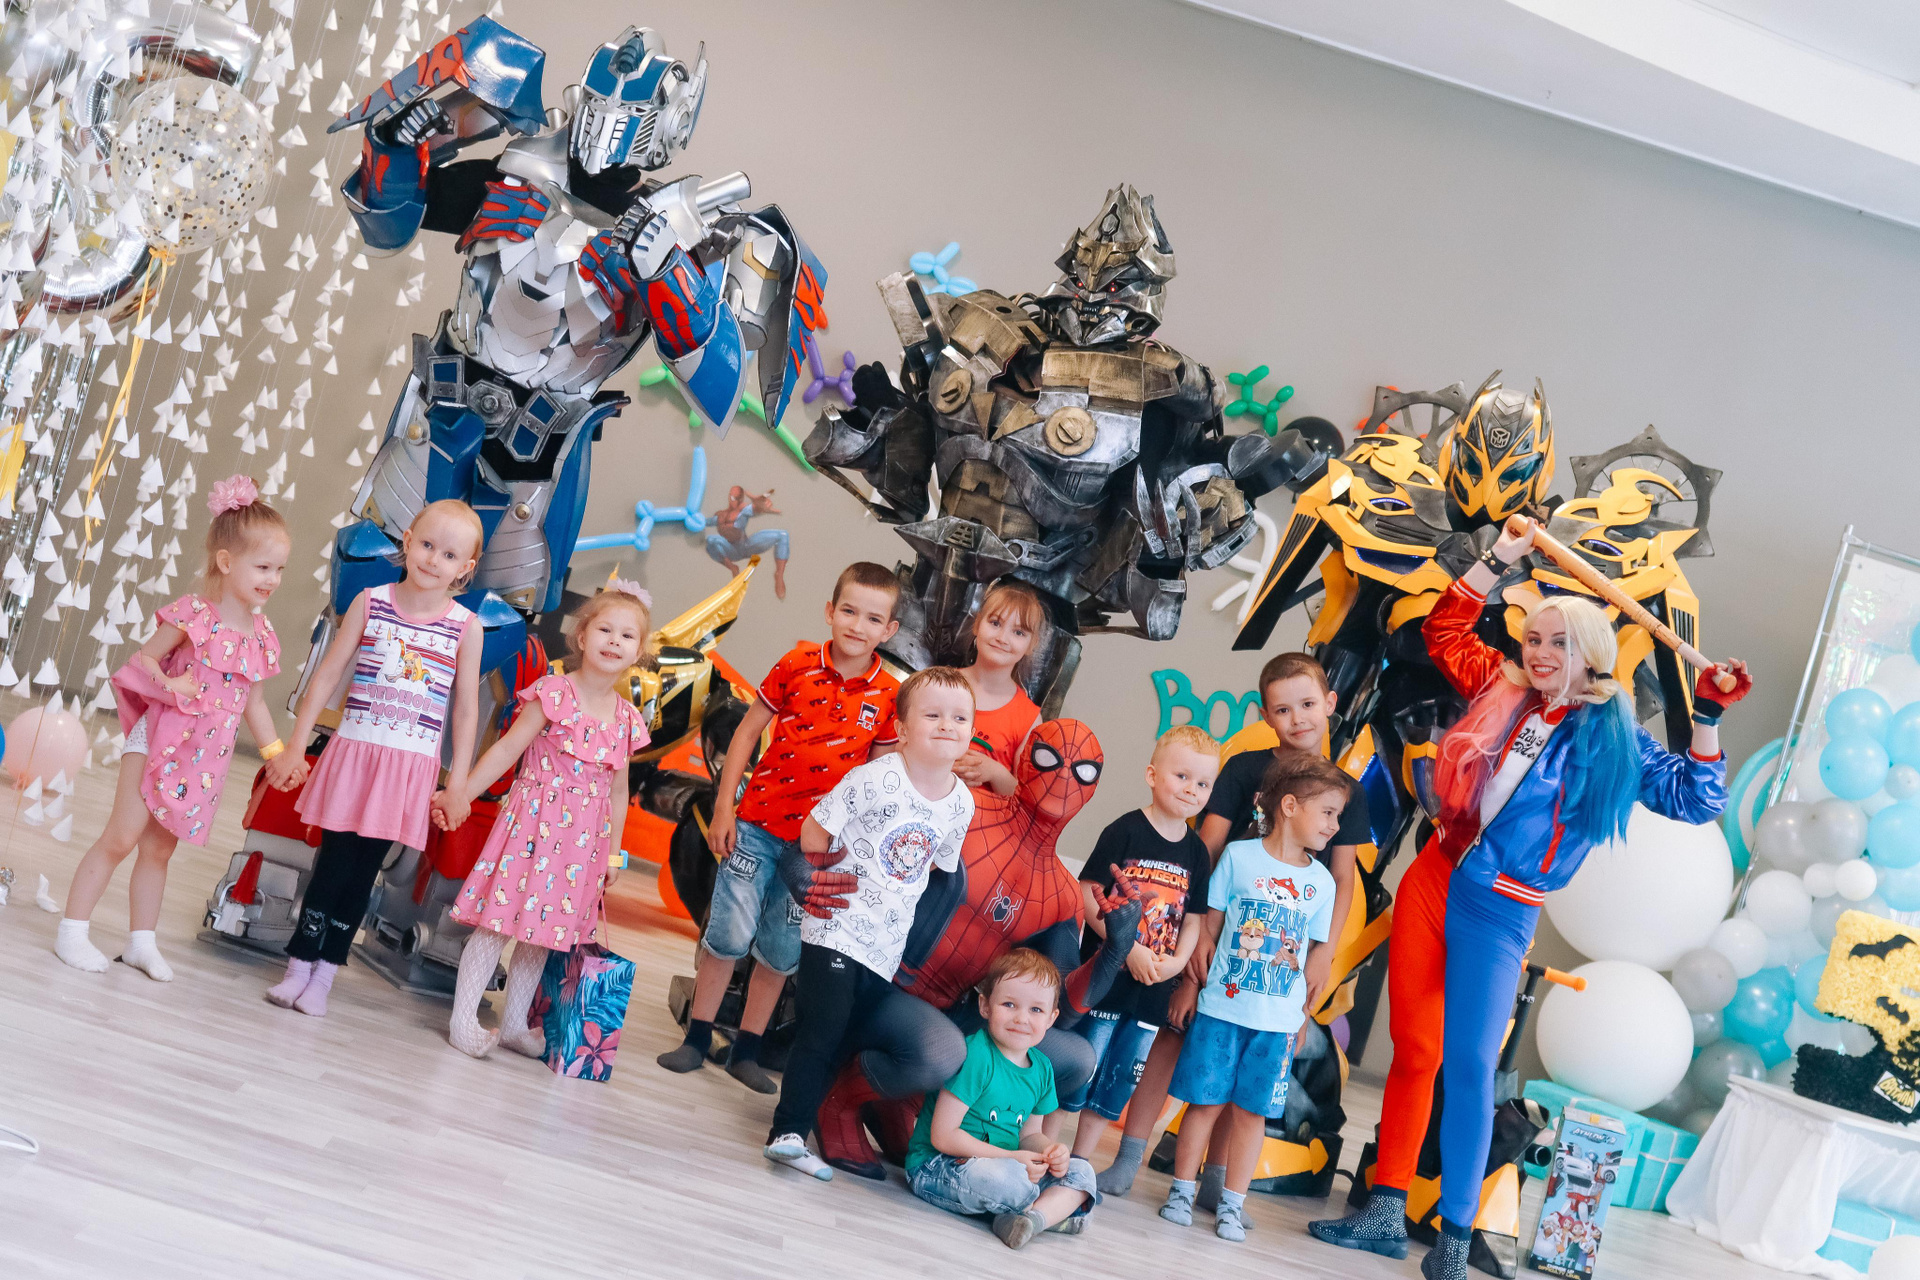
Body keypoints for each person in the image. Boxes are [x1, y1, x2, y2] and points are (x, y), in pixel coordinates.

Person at [1308, 520, 1750, 1280]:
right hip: (1435, 877)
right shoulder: (1503, 688)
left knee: (1470, 1068)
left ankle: (1453, 1238)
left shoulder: (1614, 738)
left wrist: (1706, 717)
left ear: (1593, 652)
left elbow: (1698, 797)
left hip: (1502, 908)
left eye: (1558, 642)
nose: (1538, 652)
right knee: (1415, 1052)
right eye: (1534, 638)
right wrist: (1499, 558)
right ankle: (1383, 1210)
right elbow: (1445, 629)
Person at [1100, 651, 1366, 1200]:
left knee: (1246, 1060)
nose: (1298, 719)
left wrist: (1323, 952)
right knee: (1173, 1034)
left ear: (1330, 703)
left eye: (1308, 705)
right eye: (1283, 709)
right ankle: (1129, 1155)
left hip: (1281, 945)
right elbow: (1208, 847)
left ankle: (1216, 1181)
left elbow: (1342, 878)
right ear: (1265, 716)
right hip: (1218, 924)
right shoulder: (1245, 770)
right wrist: (1197, 932)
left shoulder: (1344, 791)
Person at [656, 561, 903, 1092]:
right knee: (726, 935)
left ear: (890, 630)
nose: (858, 626)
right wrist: (725, 809)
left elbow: (879, 781)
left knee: (781, 949)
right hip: (756, 827)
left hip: (817, 852)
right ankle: (696, 1038)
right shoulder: (797, 664)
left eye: (873, 618)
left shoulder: (888, 696)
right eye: (849, 611)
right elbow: (746, 734)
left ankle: (747, 1050)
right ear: (830, 611)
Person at [55, 476, 302, 979]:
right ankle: (72, 931)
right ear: (226, 561)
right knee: (121, 836)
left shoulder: (262, 635)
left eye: (279, 569)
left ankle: (140, 942)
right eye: (263, 567)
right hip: (159, 739)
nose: (273, 579)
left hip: (203, 760)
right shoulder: (195, 615)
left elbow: (253, 701)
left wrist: (275, 752)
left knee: (159, 848)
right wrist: (172, 684)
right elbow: (143, 660)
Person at [263, 499, 486, 1017]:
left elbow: (466, 712)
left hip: (407, 770)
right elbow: (327, 676)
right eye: (426, 545)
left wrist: (459, 783)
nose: (433, 560)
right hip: (355, 756)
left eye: (449, 555)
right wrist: (297, 743)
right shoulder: (372, 602)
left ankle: (324, 975)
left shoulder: (465, 627)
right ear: (407, 540)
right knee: (331, 862)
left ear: (465, 568)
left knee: (364, 871)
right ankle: (298, 964)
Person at [765, 667, 977, 1180]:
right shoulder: (876, 778)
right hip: (836, 926)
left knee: (842, 1038)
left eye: (959, 718)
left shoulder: (961, 803)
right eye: (932, 715)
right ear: (901, 729)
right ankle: (785, 1133)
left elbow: (937, 868)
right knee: (822, 1029)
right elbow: (815, 830)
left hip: (884, 946)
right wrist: (816, 880)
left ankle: (803, 1125)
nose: (946, 725)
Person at [438, 582, 652, 1058]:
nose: (614, 641)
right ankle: (462, 1020)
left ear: (638, 652)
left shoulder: (627, 720)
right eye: (605, 630)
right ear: (582, 636)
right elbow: (507, 750)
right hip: (532, 827)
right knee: (497, 923)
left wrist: (614, 854)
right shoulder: (555, 693)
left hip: (581, 844)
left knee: (543, 933)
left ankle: (515, 1024)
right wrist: (461, 794)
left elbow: (618, 793)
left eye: (627, 636)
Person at [1161, 753, 1347, 1242]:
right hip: (1221, 1011)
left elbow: (1306, 960)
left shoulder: (1322, 883)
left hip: (1276, 1025)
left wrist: (1301, 1017)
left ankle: (1231, 1204)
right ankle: (1181, 1191)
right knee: (1203, 1105)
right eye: (1328, 812)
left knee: (1252, 1115)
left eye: (1338, 815)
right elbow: (1209, 930)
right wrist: (1191, 984)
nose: (1334, 825)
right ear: (1290, 806)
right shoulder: (1238, 858)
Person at [1059, 725, 1218, 1164]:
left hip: (1152, 989)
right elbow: (1087, 893)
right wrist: (1125, 947)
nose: (1192, 789)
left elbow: (1194, 919)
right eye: (1182, 776)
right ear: (1152, 775)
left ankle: (1080, 1161)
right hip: (1105, 978)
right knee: (1079, 1068)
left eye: (1203, 783)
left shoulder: (1197, 853)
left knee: (1117, 1081)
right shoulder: (1125, 830)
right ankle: (1049, 1148)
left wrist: (1178, 963)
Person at [907, 948, 1100, 1248]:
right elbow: (943, 1136)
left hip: (1008, 1167)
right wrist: (1012, 1159)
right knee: (1007, 1180)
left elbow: (1029, 1135)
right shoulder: (976, 1055)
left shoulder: (1042, 1069)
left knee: (1082, 1172)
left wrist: (1050, 1151)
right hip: (940, 1166)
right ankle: (1049, 1212)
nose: (1022, 1018)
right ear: (985, 1006)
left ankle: (1028, 1220)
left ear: (1052, 1018)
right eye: (1009, 1004)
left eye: (1036, 1010)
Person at [952, 580, 1048, 798]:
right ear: (977, 624)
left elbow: (1024, 797)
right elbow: (901, 748)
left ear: (1032, 644)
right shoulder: (938, 684)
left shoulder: (1029, 718)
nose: (1002, 638)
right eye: (995, 623)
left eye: (1019, 632)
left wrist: (994, 772)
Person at [705, 485, 790, 600]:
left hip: (746, 545)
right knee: (711, 541)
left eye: (736, 498)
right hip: (731, 550)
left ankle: (779, 575)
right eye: (731, 497)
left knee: (782, 535)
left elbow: (754, 509)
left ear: (741, 498)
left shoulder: (743, 511)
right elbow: (705, 522)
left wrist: (759, 506)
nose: (733, 500)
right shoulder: (720, 515)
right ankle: (732, 567)